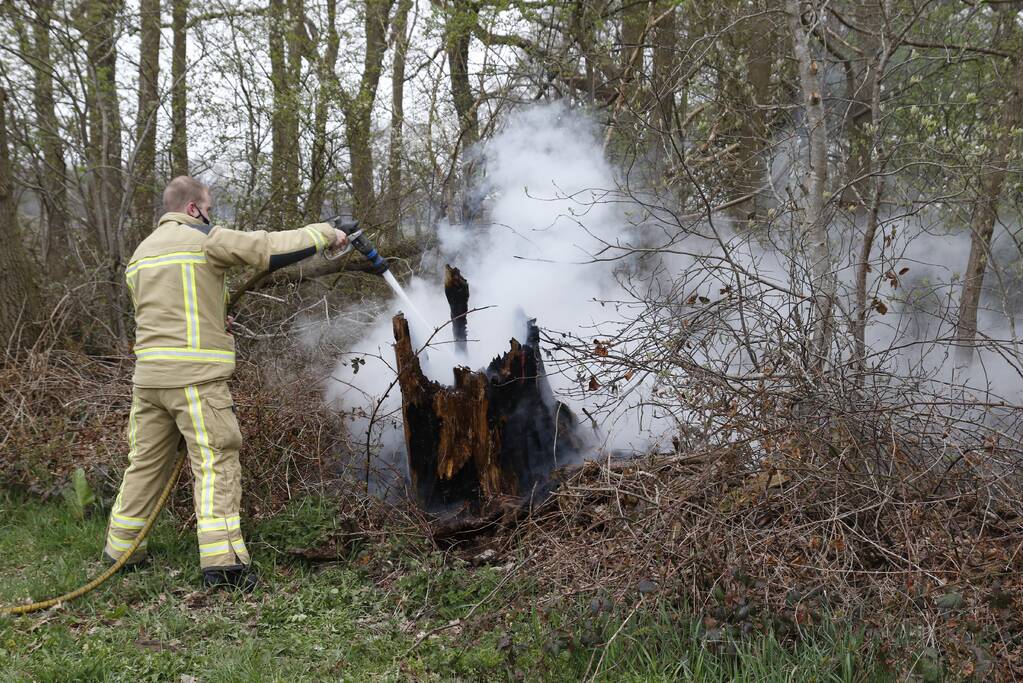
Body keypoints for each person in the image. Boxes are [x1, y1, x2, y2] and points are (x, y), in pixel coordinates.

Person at [103, 176, 347, 591]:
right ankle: (225, 565)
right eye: (209, 207)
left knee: (144, 465)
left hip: (149, 381)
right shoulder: (203, 239)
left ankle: (120, 553)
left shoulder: (141, 255)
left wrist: (214, 319)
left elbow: (167, 312)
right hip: (195, 381)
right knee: (216, 460)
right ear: (194, 209)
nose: (211, 215)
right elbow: (265, 248)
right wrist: (328, 234)